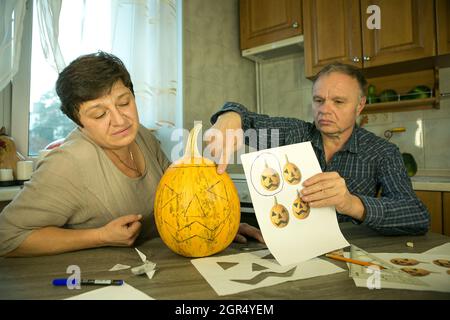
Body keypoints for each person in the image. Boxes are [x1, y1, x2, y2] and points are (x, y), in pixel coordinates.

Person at [0, 52, 262, 257]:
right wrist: (100, 236)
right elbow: (6, 237)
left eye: (124, 102)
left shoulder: (143, 136)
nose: (119, 119)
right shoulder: (67, 164)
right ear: (79, 122)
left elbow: (177, 199)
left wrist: (215, 223)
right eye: (99, 114)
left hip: (154, 271)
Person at [207, 62, 430, 236]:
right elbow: (247, 121)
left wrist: (350, 203)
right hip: (290, 249)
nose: (325, 110)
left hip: (349, 256)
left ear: (360, 105)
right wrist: (231, 115)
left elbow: (416, 216)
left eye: (338, 102)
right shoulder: (293, 133)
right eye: (318, 100)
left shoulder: (383, 152)